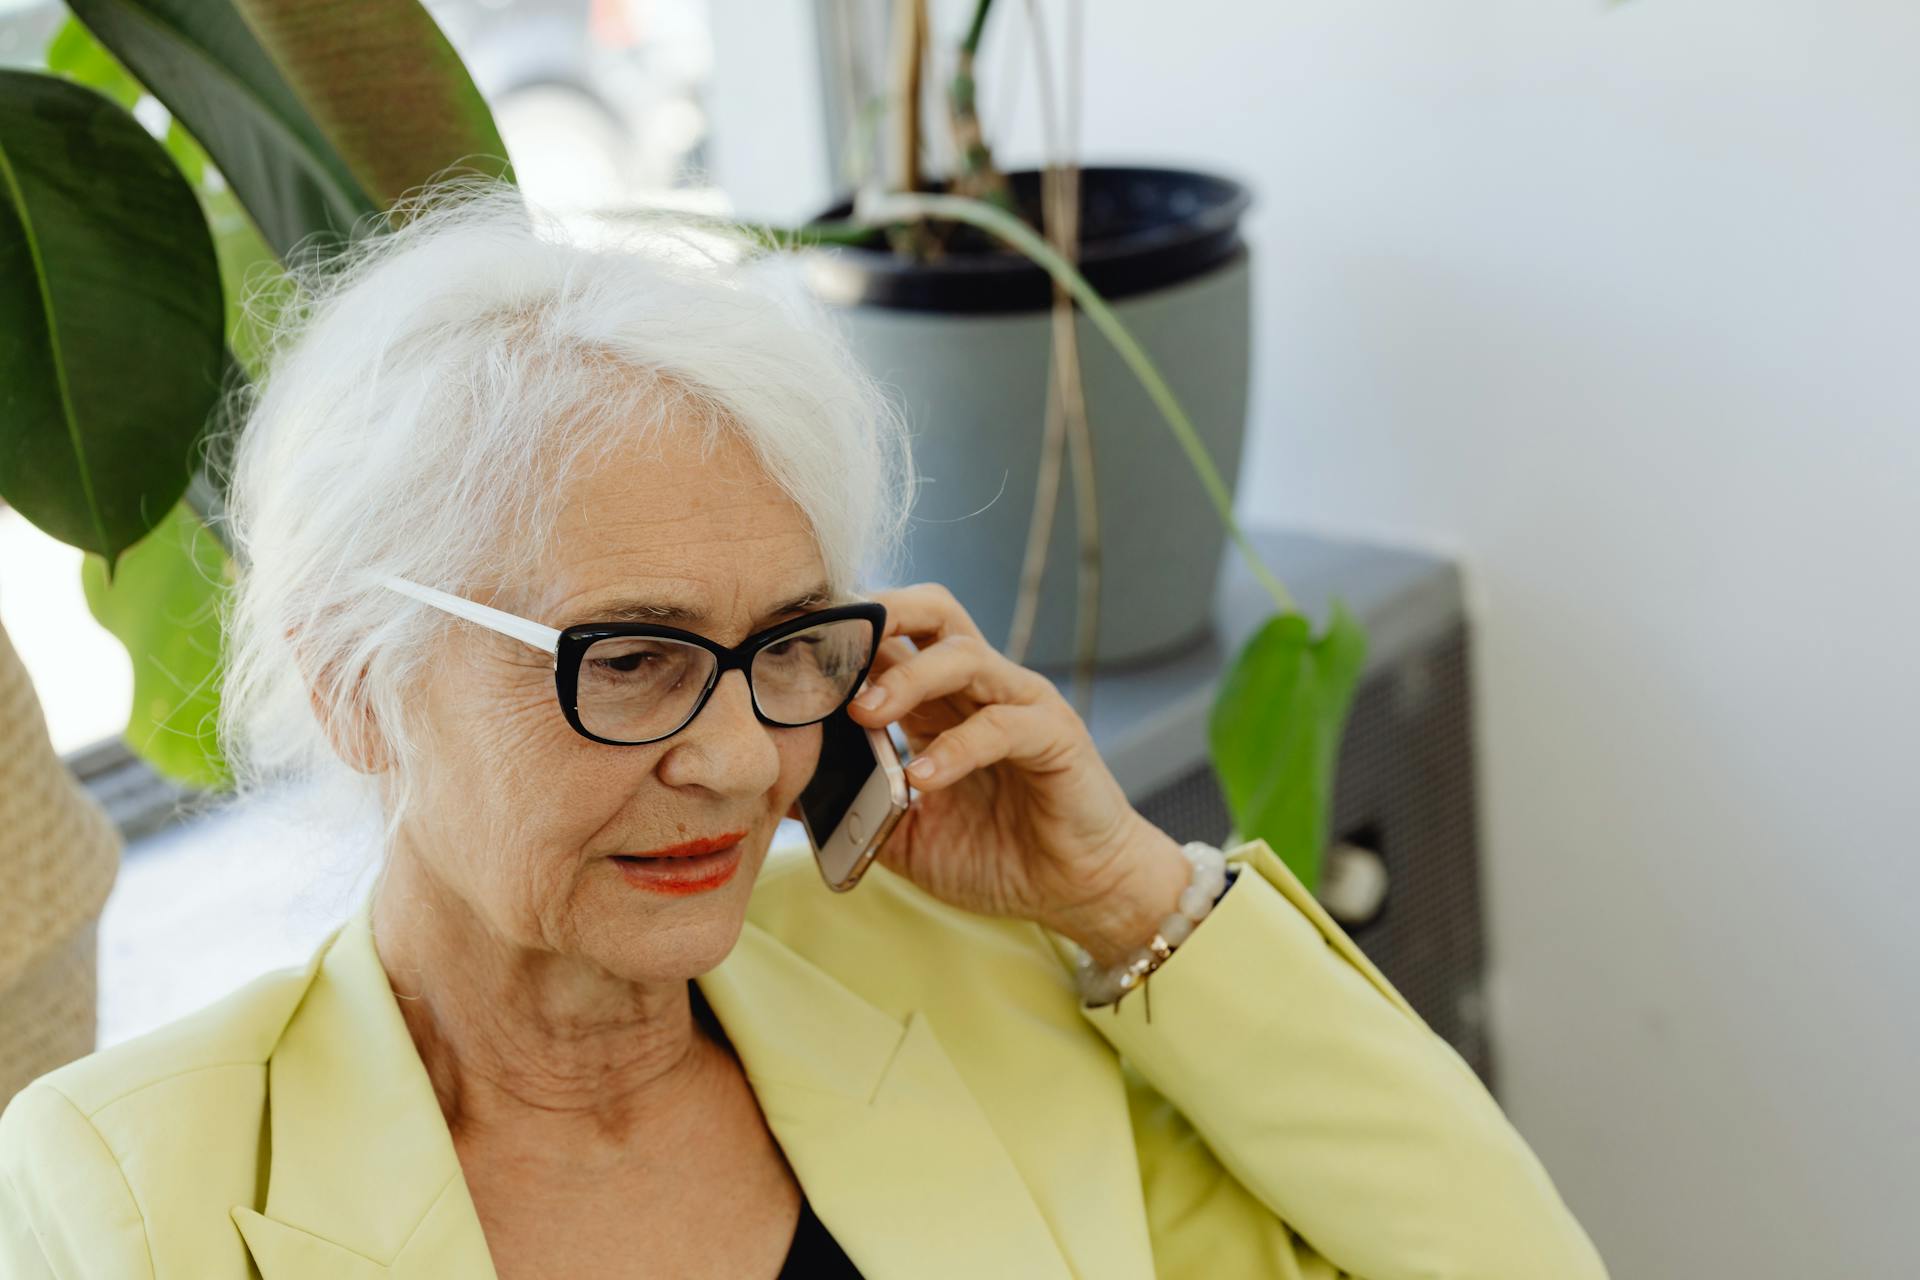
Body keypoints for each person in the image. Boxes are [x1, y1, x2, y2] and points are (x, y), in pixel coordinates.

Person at [0, 181, 1609, 1278]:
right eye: (631, 660)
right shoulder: (134, 1184)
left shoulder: (970, 984)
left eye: (785, 646)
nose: (737, 755)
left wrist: (1130, 898)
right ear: (355, 679)